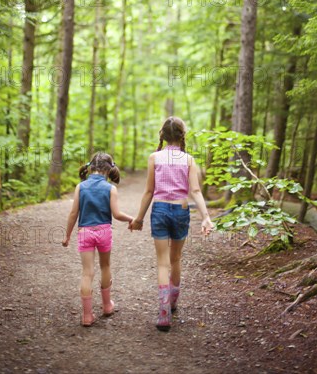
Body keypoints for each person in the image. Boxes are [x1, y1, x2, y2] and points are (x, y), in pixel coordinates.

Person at [130, 116, 214, 331]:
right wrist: (206, 216)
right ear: (182, 135)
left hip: (159, 210)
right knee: (175, 259)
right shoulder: (189, 160)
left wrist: (139, 218)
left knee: (162, 263)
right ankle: (173, 301)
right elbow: (195, 191)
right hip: (181, 210)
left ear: (163, 136)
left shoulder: (154, 157)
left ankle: (164, 311)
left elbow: (149, 191)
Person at [62, 152, 133, 326]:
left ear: (91, 167)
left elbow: (73, 214)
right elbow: (116, 214)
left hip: (85, 232)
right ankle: (107, 306)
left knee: (87, 273)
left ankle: (87, 316)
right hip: (104, 232)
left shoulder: (81, 187)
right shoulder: (110, 188)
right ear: (109, 170)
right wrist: (132, 219)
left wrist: (67, 235)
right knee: (105, 266)